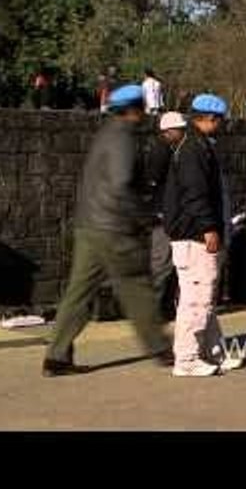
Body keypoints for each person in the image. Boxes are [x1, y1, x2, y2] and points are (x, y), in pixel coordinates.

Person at [42, 84, 172, 377]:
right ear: (134, 109)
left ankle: (56, 356)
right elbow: (121, 183)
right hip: (114, 228)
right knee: (136, 285)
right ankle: (161, 348)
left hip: (90, 225)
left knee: (78, 293)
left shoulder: (104, 134)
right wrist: (143, 216)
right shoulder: (123, 138)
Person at [163, 93, 242, 376]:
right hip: (195, 235)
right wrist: (209, 227)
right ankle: (186, 359)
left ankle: (212, 353)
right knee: (197, 298)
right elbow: (196, 194)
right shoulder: (195, 149)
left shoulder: (195, 145)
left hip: (194, 233)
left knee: (203, 296)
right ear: (209, 118)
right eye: (220, 120)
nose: (221, 125)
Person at [145, 111, 187, 320]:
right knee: (161, 262)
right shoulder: (161, 151)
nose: (182, 133)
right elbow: (153, 182)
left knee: (165, 263)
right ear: (168, 131)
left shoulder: (168, 149)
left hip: (165, 213)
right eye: (179, 129)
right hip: (162, 214)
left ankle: (163, 307)